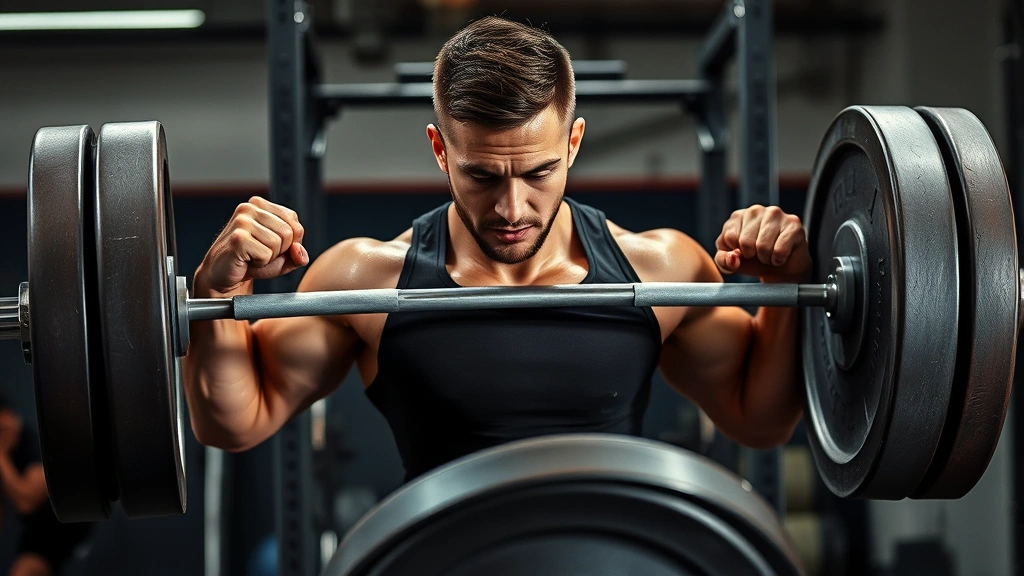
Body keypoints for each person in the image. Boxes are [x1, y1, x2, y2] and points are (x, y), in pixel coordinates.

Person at [183, 17, 809, 482]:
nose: (512, 210)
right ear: (440, 150)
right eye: (482, 176)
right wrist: (216, 292)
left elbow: (759, 419)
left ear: (573, 143)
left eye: (537, 173)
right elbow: (235, 422)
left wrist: (789, 285)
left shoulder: (659, 266)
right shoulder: (364, 278)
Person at [0, 394, 92, 576]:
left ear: (6, 416)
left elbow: (26, 502)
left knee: (23, 572)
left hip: (65, 522)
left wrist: (0, 455)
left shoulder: (33, 442)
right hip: (36, 527)